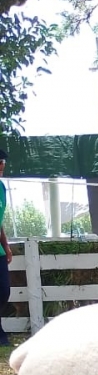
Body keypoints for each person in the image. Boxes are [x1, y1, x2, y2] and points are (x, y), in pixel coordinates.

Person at [0, 149, 13, 347]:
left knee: (4, 291)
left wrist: (7, 246)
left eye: (2, 162)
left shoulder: (2, 187)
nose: (2, 165)